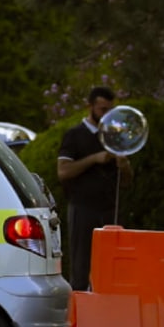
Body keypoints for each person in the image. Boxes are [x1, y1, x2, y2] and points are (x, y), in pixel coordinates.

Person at [56, 86, 132, 292]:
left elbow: (125, 183)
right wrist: (94, 159)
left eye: (110, 110)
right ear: (90, 107)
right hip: (83, 207)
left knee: (113, 264)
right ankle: (79, 312)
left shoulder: (114, 137)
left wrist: (124, 167)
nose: (106, 115)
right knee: (81, 264)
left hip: (109, 208)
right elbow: (63, 171)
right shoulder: (75, 135)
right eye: (102, 110)